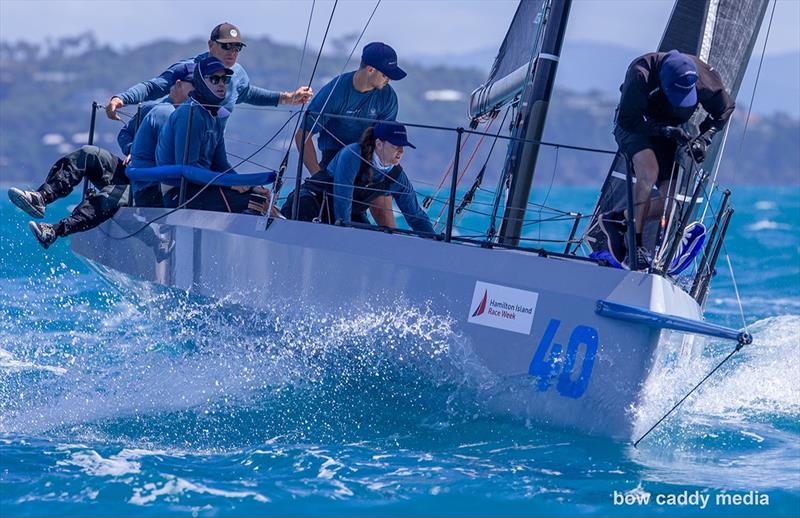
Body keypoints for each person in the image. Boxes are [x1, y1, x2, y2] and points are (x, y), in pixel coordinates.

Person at [8, 68, 196, 249]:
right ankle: (42, 197)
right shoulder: (154, 109)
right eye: (194, 85)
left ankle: (55, 231)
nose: (199, 90)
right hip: (131, 171)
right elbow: (125, 134)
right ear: (178, 84)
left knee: (113, 194)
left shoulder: (193, 118)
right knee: (88, 153)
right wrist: (132, 149)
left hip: (152, 189)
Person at [600, 49, 735, 268]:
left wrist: (704, 139)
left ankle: (617, 219)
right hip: (636, 125)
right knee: (649, 172)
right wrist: (665, 131)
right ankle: (636, 246)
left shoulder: (703, 77)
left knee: (669, 205)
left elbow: (726, 108)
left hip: (671, 129)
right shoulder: (641, 73)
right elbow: (627, 120)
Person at [105, 22, 312, 123]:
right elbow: (153, 87)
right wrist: (121, 98)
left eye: (237, 48)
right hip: (176, 147)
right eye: (226, 46)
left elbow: (250, 94)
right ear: (211, 45)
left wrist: (289, 98)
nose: (232, 52)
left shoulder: (237, 75)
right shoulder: (188, 69)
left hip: (211, 150)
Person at [295, 42, 406, 226]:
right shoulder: (335, 92)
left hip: (369, 158)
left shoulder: (388, 96)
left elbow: (385, 141)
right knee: (335, 214)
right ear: (370, 70)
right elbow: (303, 134)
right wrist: (318, 175)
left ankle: (393, 245)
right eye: (386, 75)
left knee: (384, 210)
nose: (389, 80)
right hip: (334, 160)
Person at [156, 56, 269, 215]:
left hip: (203, 187)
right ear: (201, 82)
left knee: (261, 198)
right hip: (180, 192)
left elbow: (221, 164)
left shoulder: (215, 115)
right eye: (215, 79)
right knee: (254, 203)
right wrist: (229, 184)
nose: (222, 83)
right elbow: (188, 169)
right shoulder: (191, 113)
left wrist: (248, 185)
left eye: (225, 79)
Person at [283, 122, 434, 235]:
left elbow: (415, 215)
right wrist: (345, 235)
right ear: (379, 144)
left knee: (369, 239)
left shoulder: (396, 176)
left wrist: (434, 241)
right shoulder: (353, 154)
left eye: (403, 147)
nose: (401, 151)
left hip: (349, 214)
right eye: (396, 146)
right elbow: (343, 198)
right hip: (312, 202)